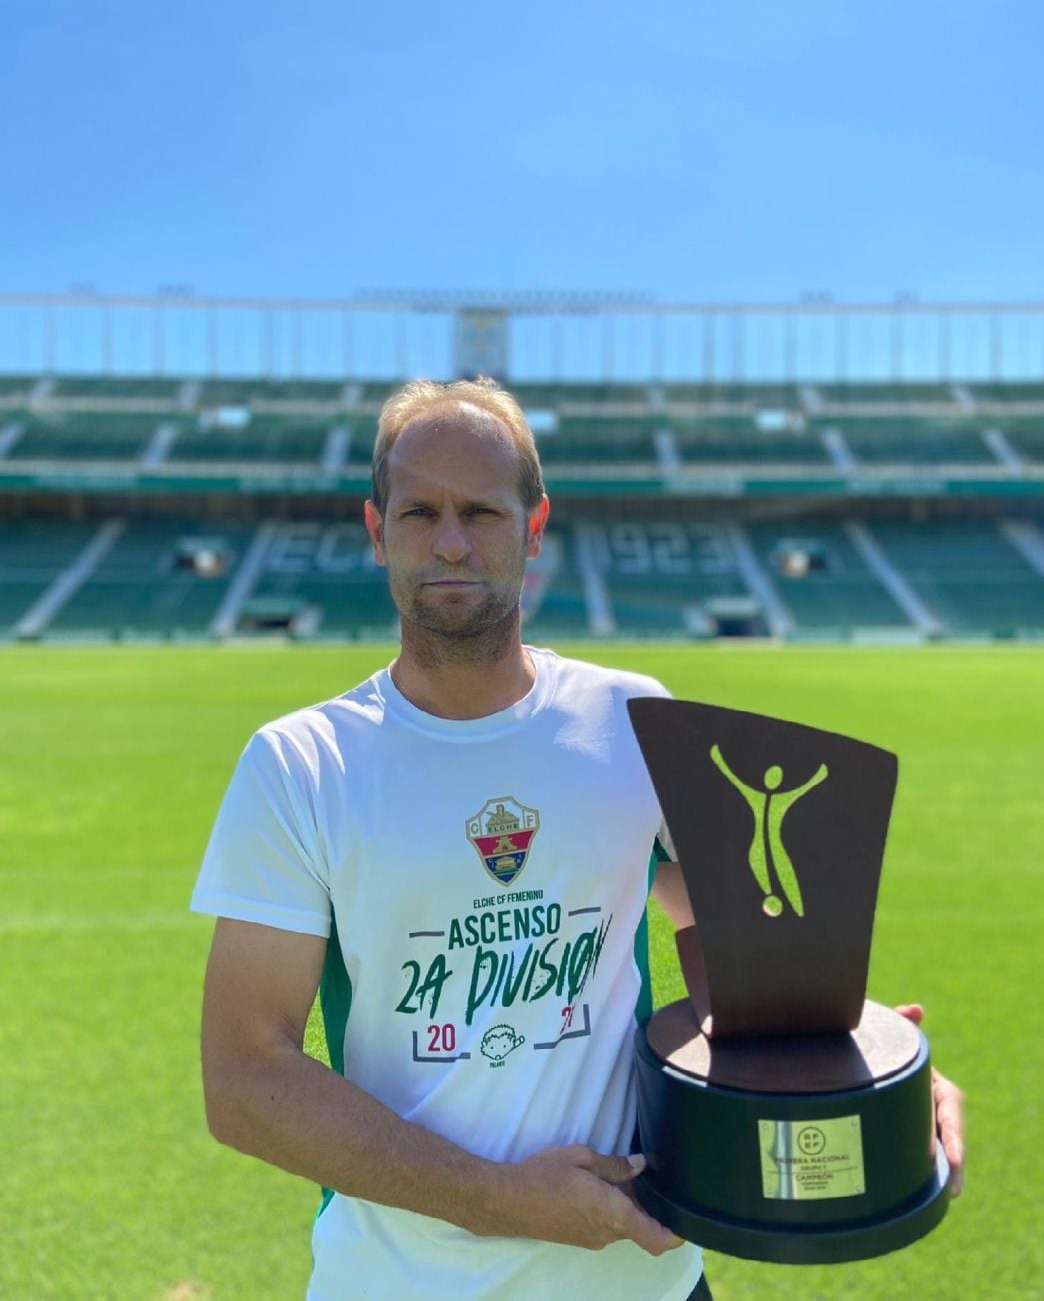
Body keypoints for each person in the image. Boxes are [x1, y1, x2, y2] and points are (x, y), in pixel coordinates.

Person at [192, 378, 963, 1301]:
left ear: (535, 525)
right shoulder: (302, 763)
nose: (449, 541)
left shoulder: (634, 720)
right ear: (375, 527)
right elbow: (243, 1077)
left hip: (644, 1276)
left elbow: (734, 933)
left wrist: (868, 1071)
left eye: (481, 511)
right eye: (419, 512)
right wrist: (498, 1200)